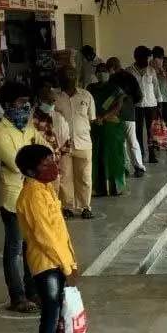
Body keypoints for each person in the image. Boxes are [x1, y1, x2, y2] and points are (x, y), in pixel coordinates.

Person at [14, 143, 94, 333]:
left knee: (59, 315)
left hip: (59, 261)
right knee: (50, 318)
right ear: (30, 170)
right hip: (46, 265)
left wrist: (71, 263)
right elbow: (44, 236)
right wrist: (65, 266)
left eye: (52, 161)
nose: (53, 167)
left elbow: (60, 232)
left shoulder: (45, 189)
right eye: (46, 164)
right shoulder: (32, 196)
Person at [0, 82, 47, 313]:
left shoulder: (28, 127)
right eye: (21, 103)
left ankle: (32, 291)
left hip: (33, 195)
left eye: (27, 103)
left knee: (30, 246)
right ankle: (17, 296)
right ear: (6, 105)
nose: (26, 107)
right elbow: (17, 164)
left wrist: (39, 161)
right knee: (14, 249)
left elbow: (46, 149)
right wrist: (37, 162)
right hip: (13, 199)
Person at [55, 65, 96, 219]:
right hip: (63, 144)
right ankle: (67, 207)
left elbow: (91, 119)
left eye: (73, 73)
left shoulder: (86, 96)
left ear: (77, 76)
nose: (70, 77)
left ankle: (85, 206)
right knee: (65, 177)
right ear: (60, 77)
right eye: (66, 74)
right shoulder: (56, 98)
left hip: (83, 143)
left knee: (84, 176)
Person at [87, 63, 127, 196]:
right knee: (97, 156)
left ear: (109, 73)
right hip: (95, 127)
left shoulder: (115, 89)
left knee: (113, 156)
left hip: (111, 126)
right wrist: (95, 118)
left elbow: (118, 106)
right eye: (99, 71)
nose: (101, 73)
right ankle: (99, 188)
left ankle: (116, 187)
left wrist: (103, 117)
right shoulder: (91, 88)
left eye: (104, 70)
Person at [106, 57, 145, 178]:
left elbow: (110, 98)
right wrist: (130, 103)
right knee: (132, 141)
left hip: (116, 115)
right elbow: (139, 95)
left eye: (108, 69)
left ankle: (125, 167)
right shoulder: (130, 77)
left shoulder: (112, 80)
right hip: (129, 113)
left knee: (121, 142)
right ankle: (139, 166)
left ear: (112, 68)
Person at [31, 83, 72, 197]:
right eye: (47, 101)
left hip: (54, 165)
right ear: (39, 100)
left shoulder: (58, 117)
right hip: (36, 166)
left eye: (52, 101)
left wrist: (57, 156)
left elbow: (66, 142)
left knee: (53, 196)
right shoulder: (31, 118)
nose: (51, 104)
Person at [128, 46, 162, 164]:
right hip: (136, 106)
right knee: (138, 131)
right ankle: (141, 154)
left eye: (148, 59)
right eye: (145, 59)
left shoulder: (151, 70)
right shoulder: (129, 71)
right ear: (137, 58)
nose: (147, 61)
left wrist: (159, 103)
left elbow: (156, 88)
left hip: (151, 105)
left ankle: (152, 154)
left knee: (151, 131)